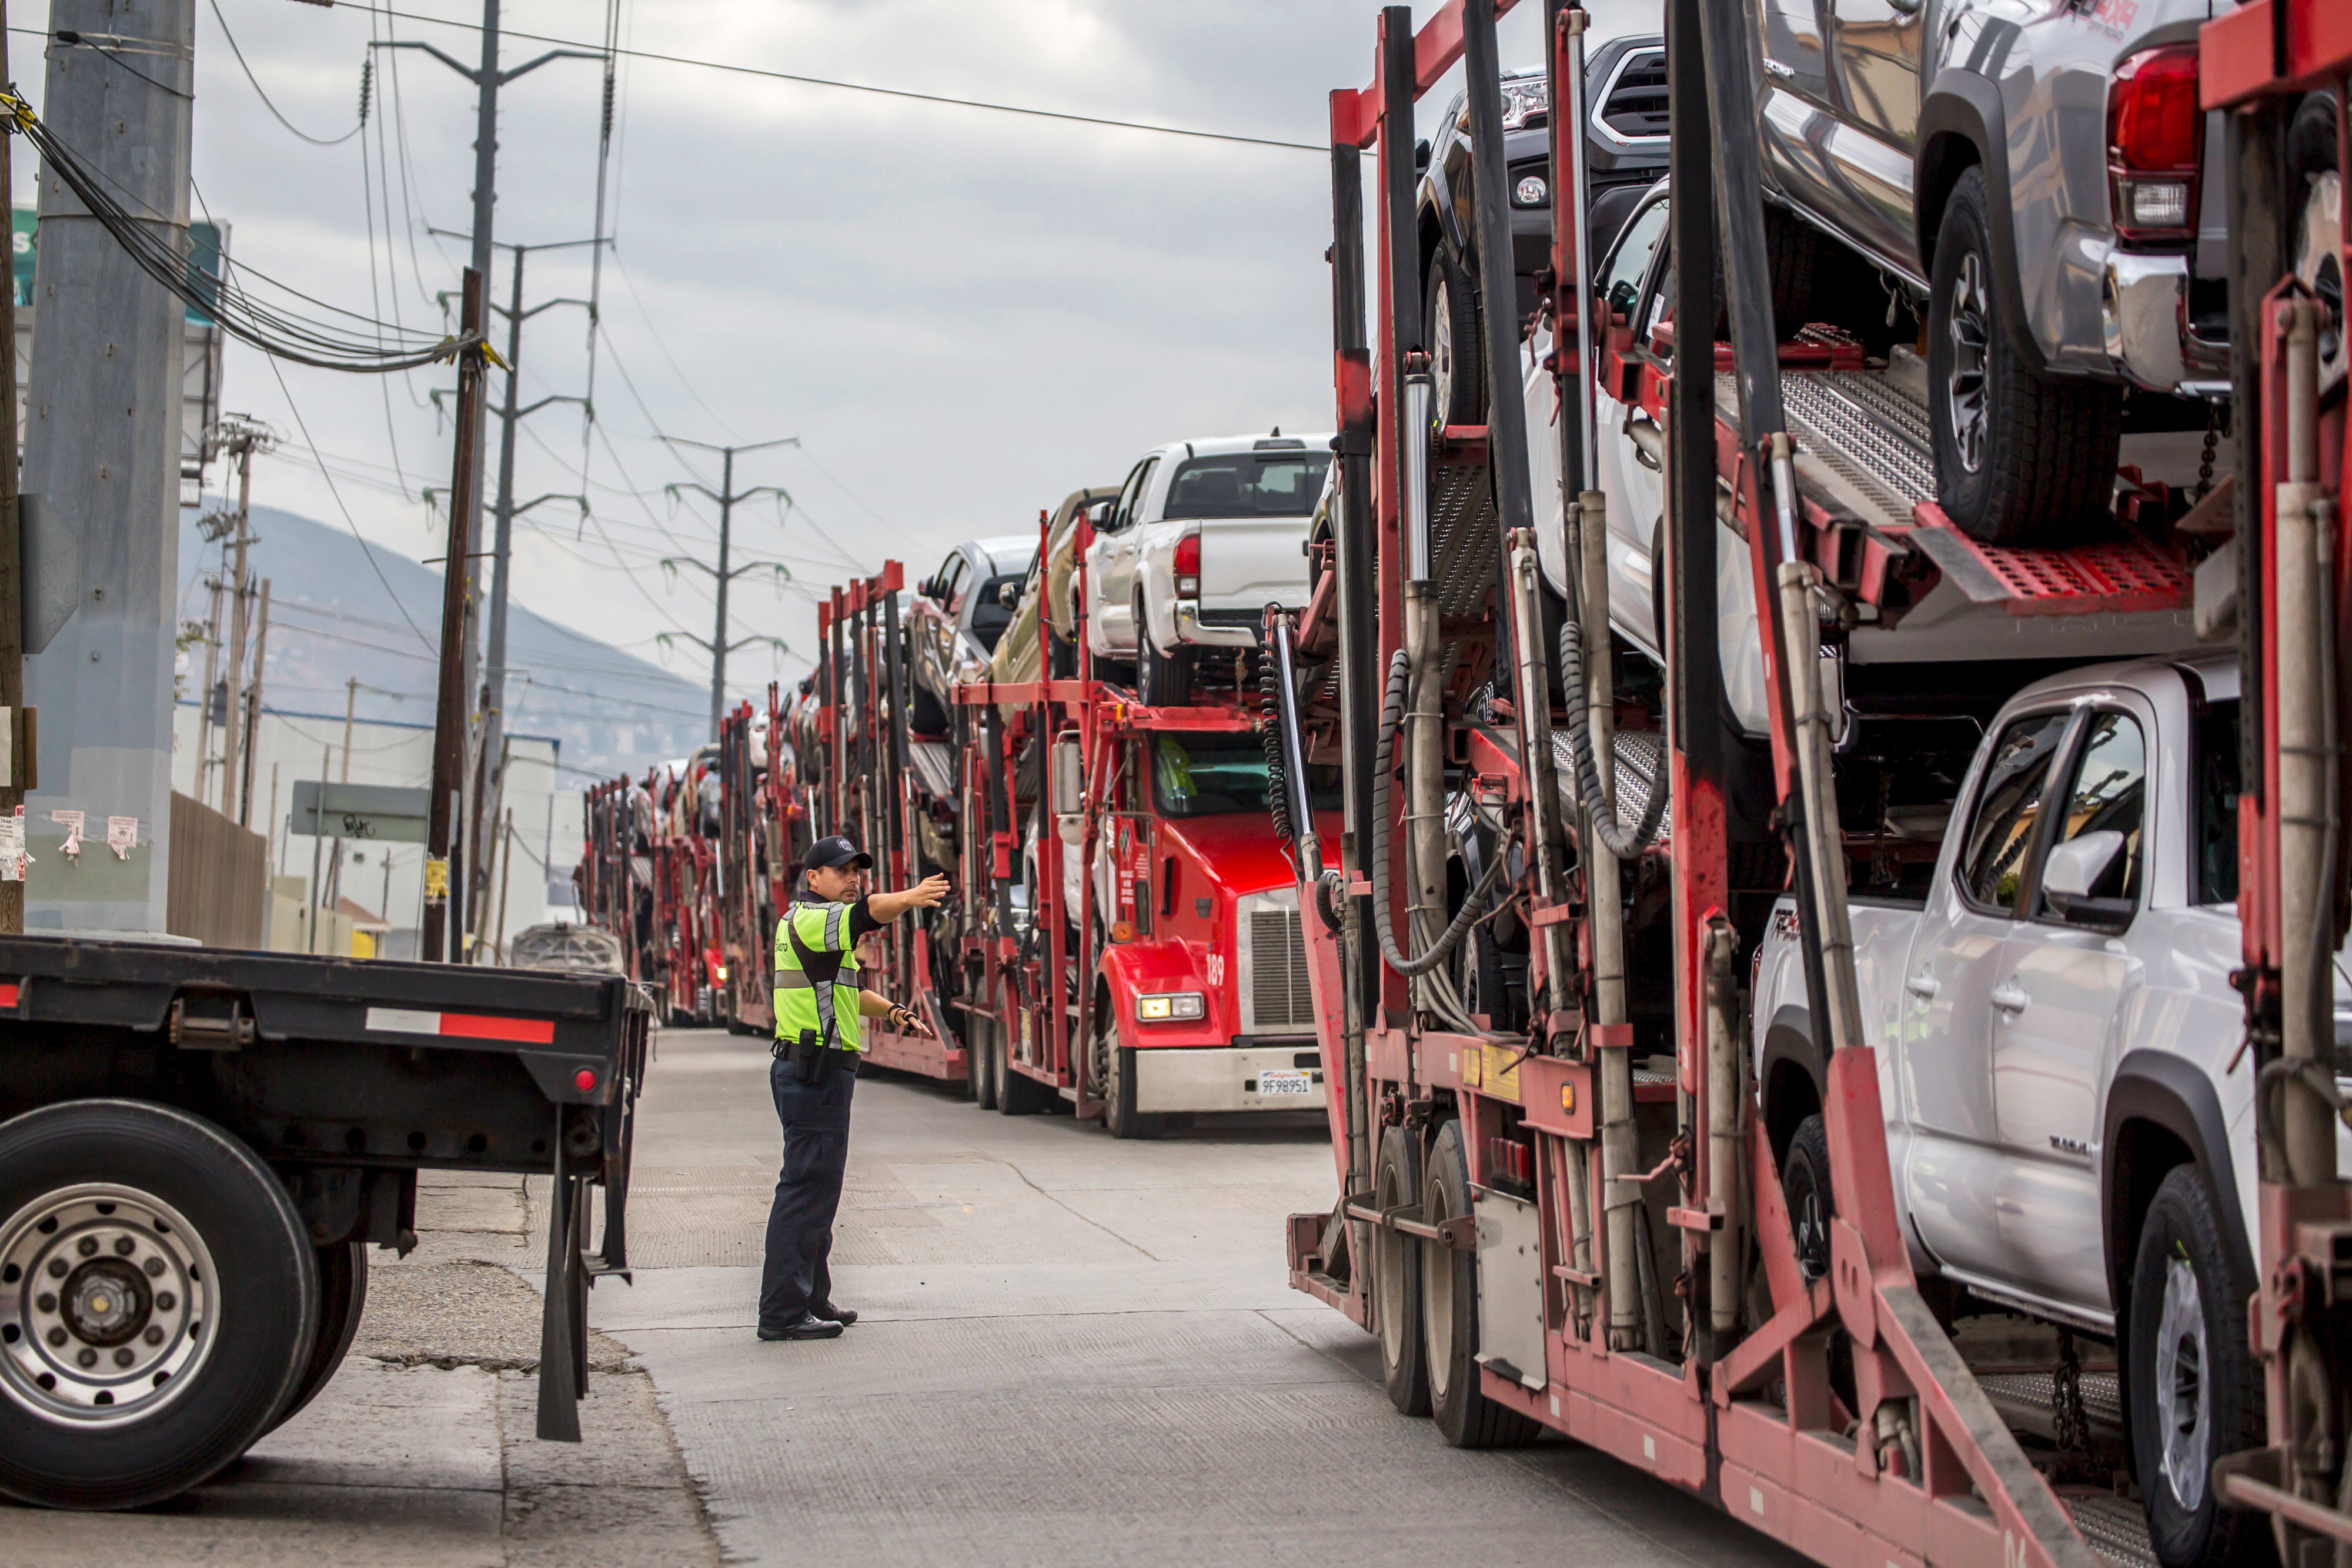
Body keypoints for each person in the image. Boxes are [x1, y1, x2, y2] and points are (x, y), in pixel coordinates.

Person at [759, 835, 949, 1341]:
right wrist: (909, 898)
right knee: (805, 1191)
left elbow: (844, 988)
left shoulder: (818, 931)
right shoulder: (814, 918)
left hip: (817, 1071)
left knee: (819, 1191)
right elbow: (868, 913)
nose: (853, 878)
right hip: (814, 1071)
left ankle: (811, 1298)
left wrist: (892, 1011)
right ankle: (782, 1312)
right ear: (813, 878)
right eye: (841, 870)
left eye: (856, 870)